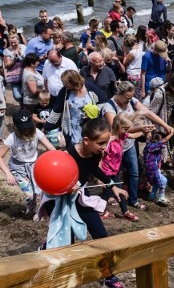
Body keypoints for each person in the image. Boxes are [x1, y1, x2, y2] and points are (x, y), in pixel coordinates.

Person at [40, 118, 127, 288]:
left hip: (80, 196)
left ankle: (108, 276)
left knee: (101, 234)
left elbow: (94, 169)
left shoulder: (95, 153)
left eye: (106, 142)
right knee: (66, 239)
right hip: (58, 200)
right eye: (101, 143)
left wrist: (112, 186)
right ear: (86, 141)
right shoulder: (67, 156)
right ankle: (54, 260)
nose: (104, 147)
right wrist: (65, 188)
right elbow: (51, 179)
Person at [101, 81, 172, 209]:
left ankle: (133, 200)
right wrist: (141, 128)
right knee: (115, 173)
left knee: (134, 172)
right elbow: (116, 129)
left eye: (131, 98)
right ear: (119, 94)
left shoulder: (132, 100)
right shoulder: (109, 107)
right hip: (114, 148)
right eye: (127, 98)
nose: (129, 101)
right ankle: (114, 197)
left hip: (128, 144)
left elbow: (148, 113)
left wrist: (165, 125)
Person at [0, 110, 55, 216]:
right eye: (23, 128)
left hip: (35, 166)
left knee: (40, 192)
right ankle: (31, 212)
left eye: (28, 126)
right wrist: (7, 173)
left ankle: (41, 211)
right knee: (30, 194)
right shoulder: (12, 138)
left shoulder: (37, 133)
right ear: (16, 127)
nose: (26, 130)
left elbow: (50, 147)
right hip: (18, 168)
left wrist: (57, 156)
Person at [100, 112, 149, 222]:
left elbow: (133, 135)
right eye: (125, 128)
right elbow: (100, 157)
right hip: (107, 172)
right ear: (118, 126)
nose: (127, 131)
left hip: (115, 171)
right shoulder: (109, 141)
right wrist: (100, 177)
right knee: (109, 192)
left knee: (117, 191)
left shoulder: (122, 135)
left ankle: (122, 211)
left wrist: (143, 131)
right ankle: (102, 211)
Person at [146, 74, 174, 195]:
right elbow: (149, 113)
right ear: (171, 86)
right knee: (157, 158)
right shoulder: (161, 94)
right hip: (161, 128)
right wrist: (149, 132)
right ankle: (152, 183)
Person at [144, 130, 174, 206]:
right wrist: (171, 133)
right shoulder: (154, 146)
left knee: (155, 183)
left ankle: (152, 195)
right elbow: (164, 140)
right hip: (153, 169)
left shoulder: (149, 145)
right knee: (163, 181)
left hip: (152, 169)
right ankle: (161, 196)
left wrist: (149, 130)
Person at [3, 33, 26, 103]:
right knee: (17, 95)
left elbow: (29, 60)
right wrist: (14, 59)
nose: (13, 44)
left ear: (18, 41)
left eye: (15, 42)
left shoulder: (24, 47)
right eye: (11, 42)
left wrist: (21, 55)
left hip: (24, 74)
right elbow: (7, 65)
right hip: (14, 76)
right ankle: (22, 105)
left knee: (26, 93)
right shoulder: (7, 51)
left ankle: (24, 108)